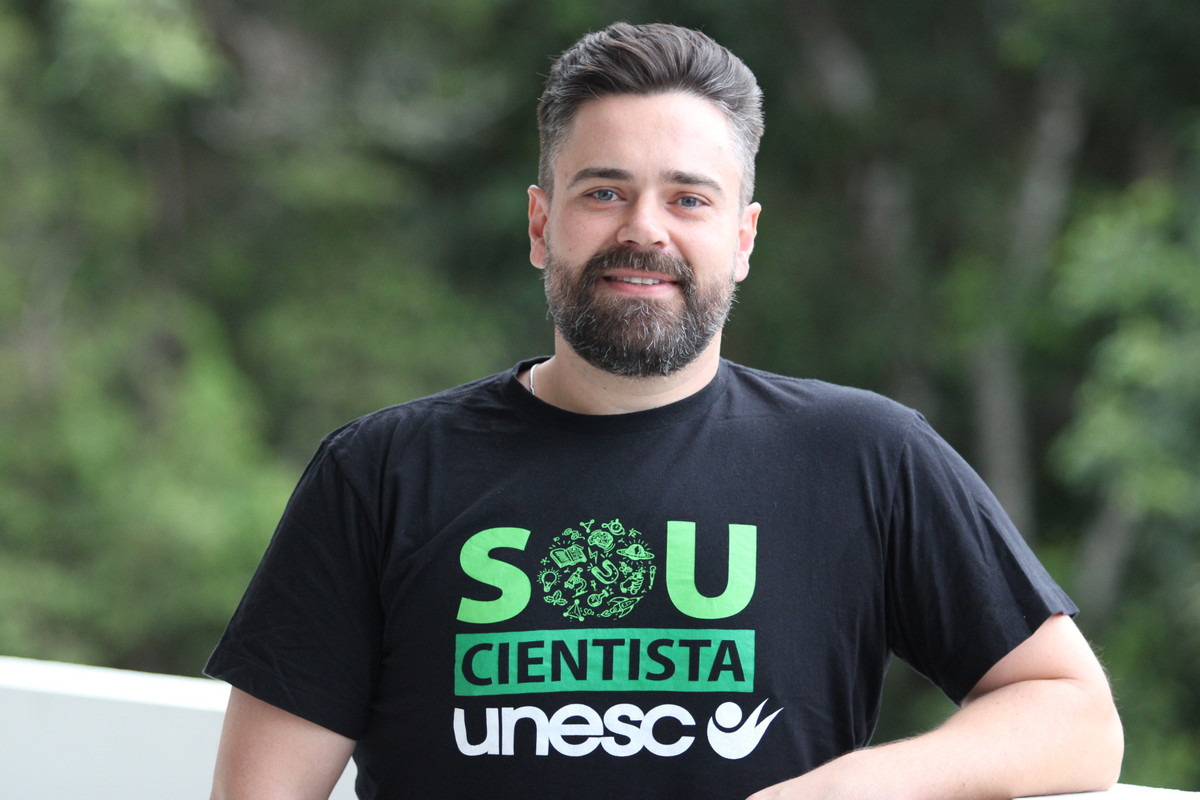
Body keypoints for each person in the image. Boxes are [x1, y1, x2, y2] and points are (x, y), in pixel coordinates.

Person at [206, 21, 1123, 800]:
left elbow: (1075, 714)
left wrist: (852, 787)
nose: (645, 228)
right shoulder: (380, 473)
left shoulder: (863, 456)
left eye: (689, 198)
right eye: (605, 192)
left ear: (743, 237)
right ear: (541, 224)